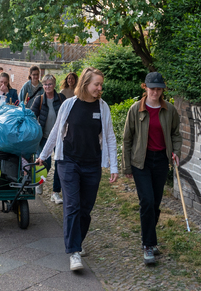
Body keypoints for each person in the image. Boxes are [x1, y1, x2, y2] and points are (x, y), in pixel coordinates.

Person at [36, 67, 118, 271]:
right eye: (96, 84)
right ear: (85, 83)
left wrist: (114, 165)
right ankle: (73, 251)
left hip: (92, 164)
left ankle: (77, 242)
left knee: (85, 209)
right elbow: (56, 131)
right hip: (68, 161)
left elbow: (109, 136)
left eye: (101, 85)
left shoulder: (103, 107)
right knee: (72, 205)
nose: (100, 88)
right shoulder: (70, 105)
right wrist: (43, 155)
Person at [122, 72, 182, 265]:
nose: (155, 92)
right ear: (145, 87)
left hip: (161, 161)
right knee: (146, 201)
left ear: (162, 89)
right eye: (152, 88)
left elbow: (176, 134)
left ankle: (149, 237)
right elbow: (127, 139)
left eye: (158, 88)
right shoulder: (135, 110)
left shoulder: (170, 110)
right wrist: (127, 166)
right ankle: (148, 244)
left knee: (155, 204)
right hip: (142, 162)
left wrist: (176, 152)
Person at [31, 74, 66, 203]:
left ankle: (55, 193)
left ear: (54, 85)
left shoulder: (62, 98)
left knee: (59, 165)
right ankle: (40, 182)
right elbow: (32, 116)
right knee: (45, 163)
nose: (47, 86)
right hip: (44, 137)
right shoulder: (39, 100)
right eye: (45, 84)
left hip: (60, 138)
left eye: (50, 84)